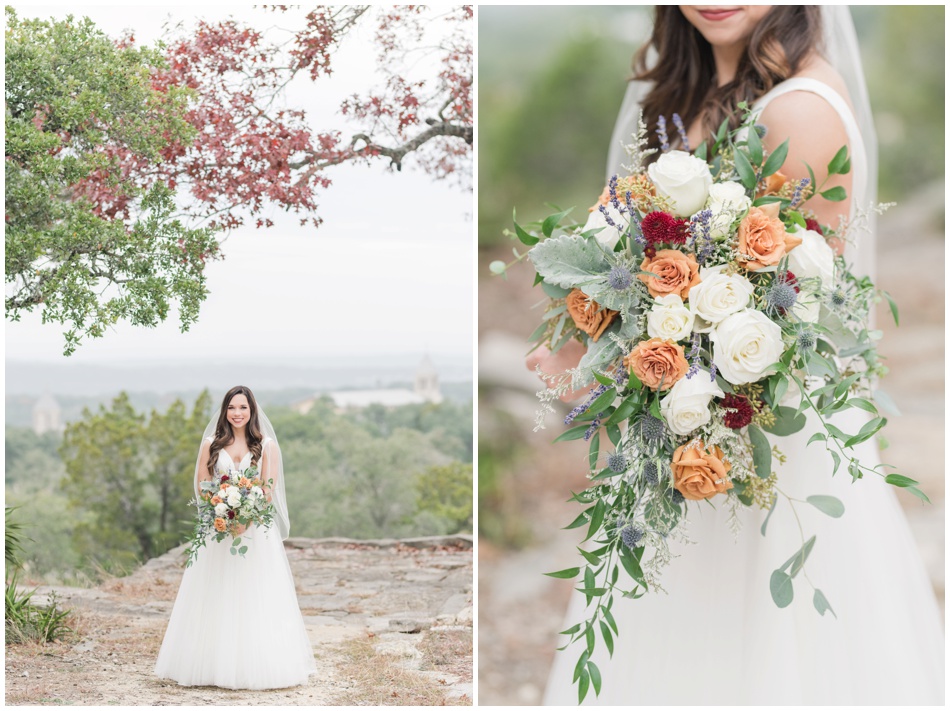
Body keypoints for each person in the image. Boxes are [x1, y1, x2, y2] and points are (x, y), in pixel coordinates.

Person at [538, 6, 944, 705]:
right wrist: (586, 341)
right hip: (684, 430)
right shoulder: (674, 101)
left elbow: (790, 305)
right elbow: (632, 258)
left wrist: (648, 356)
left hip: (768, 442)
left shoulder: (801, 111)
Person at [154, 385, 316, 689]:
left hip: (255, 532)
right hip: (218, 529)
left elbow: (267, 490)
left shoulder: (266, 446)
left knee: (254, 594)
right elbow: (203, 484)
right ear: (224, 411)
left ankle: (256, 666)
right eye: (232, 408)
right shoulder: (211, 444)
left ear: (252, 410)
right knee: (215, 592)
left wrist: (245, 516)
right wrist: (221, 511)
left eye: (243, 407)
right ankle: (208, 664)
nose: (237, 413)